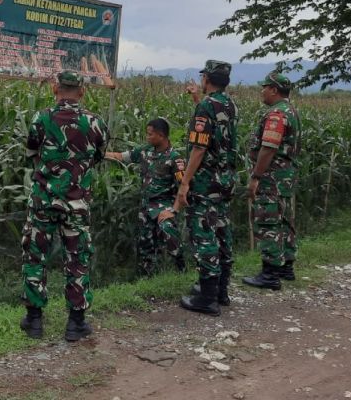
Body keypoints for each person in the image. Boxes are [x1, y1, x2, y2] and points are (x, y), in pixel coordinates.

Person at [20, 70, 109, 342]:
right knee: (77, 258)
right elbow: (98, 157)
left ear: (55, 89)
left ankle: (34, 320)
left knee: (36, 255)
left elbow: (32, 153)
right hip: (76, 203)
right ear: (81, 91)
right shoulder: (94, 123)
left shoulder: (41, 118)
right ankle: (76, 323)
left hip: (43, 201)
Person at [163, 60, 238, 316]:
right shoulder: (228, 104)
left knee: (204, 234)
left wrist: (184, 183)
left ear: (207, 78)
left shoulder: (207, 105)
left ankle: (207, 298)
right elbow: (214, 132)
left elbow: (199, 147)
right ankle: (221, 291)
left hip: (206, 182)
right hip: (225, 180)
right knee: (221, 230)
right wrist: (198, 99)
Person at [243, 71, 302, 290]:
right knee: (285, 221)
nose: (262, 91)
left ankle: (269, 274)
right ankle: (286, 266)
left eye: (264, 87)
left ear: (274, 90)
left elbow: (268, 148)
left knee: (268, 221)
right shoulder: (291, 111)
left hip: (272, 179)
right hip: (285, 178)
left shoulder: (277, 114)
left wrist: (256, 177)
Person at [106, 118, 186, 276]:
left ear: (161, 135)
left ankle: (181, 270)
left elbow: (184, 188)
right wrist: (98, 153)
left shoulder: (175, 159)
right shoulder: (144, 151)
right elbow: (121, 156)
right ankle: (146, 278)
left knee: (169, 235)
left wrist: (174, 211)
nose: (147, 137)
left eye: (150, 134)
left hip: (164, 206)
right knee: (145, 245)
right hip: (146, 208)